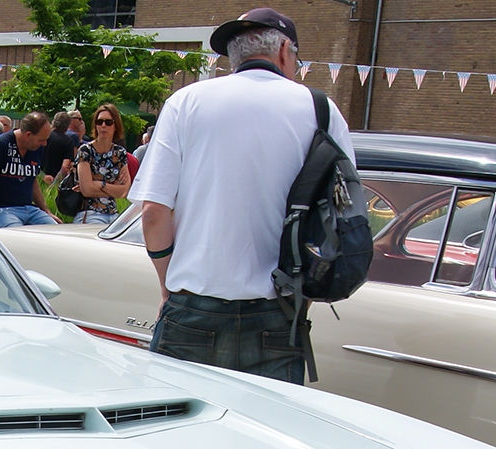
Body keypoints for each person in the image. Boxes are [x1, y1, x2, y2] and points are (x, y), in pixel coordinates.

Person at [129, 6, 355, 385]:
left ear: (234, 56)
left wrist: (169, 286)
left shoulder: (186, 102)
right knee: (263, 437)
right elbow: (339, 219)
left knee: (175, 438)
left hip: (192, 305)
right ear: (285, 50)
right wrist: (305, 296)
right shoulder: (320, 110)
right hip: (277, 309)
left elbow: (153, 212)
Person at [0, 110, 58, 228]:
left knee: (56, 230)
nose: (45, 144)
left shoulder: (35, 148)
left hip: (29, 209)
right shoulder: (1, 145)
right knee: (18, 233)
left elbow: (32, 179)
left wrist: (46, 211)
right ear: (28, 135)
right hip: (2, 209)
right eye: (42, 140)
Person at [71, 103, 131, 225]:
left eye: (108, 122)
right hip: (90, 212)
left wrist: (98, 184)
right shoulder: (86, 151)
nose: (103, 125)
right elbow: (87, 190)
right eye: (99, 122)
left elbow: (124, 191)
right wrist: (113, 188)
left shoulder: (120, 153)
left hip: (113, 213)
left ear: (116, 126)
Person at [42, 111, 76, 183]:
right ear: (67, 125)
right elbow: (65, 167)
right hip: (54, 180)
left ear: (53, 122)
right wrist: (55, 184)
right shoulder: (68, 141)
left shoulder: (44, 136)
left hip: (39, 178)